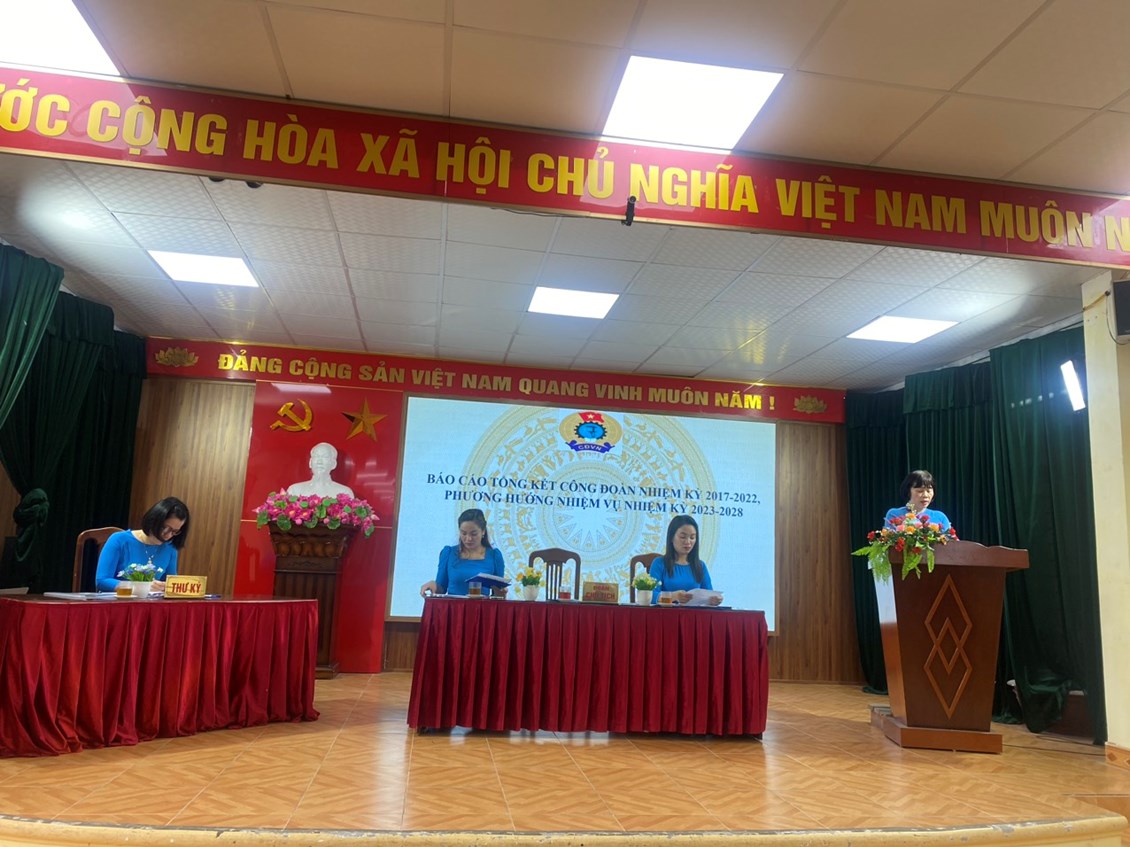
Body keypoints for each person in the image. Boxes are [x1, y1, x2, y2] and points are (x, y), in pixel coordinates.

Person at [94, 497, 191, 591]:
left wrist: (165, 587)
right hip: (119, 600)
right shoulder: (119, 539)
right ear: (153, 520)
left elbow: (170, 584)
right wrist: (140, 587)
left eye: (175, 531)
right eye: (165, 528)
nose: (168, 535)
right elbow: (102, 581)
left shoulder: (170, 548)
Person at [419, 508, 505, 597]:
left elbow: (497, 595)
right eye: (464, 533)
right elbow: (441, 589)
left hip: (481, 605)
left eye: (474, 534)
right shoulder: (448, 553)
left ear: (483, 531)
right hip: (453, 605)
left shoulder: (494, 556)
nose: (468, 539)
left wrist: (501, 592)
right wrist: (434, 585)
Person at [648, 514, 722, 605]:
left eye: (692, 537)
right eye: (683, 537)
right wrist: (672, 597)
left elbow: (709, 595)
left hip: (694, 613)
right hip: (666, 613)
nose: (688, 542)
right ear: (671, 537)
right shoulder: (659, 563)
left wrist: (714, 600)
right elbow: (651, 597)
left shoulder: (700, 566)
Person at [884, 469, 952, 532]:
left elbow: (951, 540)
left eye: (929, 491)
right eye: (920, 491)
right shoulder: (894, 514)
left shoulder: (940, 516)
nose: (925, 495)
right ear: (908, 492)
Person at [284, 442, 355, 498]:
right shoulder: (295, 490)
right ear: (310, 463)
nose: (319, 462)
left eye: (325, 457)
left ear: (333, 464)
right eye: (316, 456)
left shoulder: (344, 493)